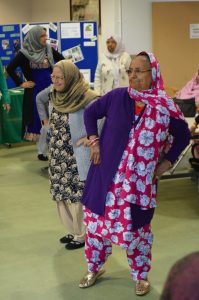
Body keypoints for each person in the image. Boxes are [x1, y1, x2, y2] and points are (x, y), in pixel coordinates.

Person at [79, 52, 190, 295]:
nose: (132, 75)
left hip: (138, 187)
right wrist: (94, 141)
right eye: (130, 71)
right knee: (97, 229)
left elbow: (183, 135)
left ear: (154, 74)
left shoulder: (165, 107)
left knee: (137, 232)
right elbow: (90, 113)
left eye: (139, 71)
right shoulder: (118, 96)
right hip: (106, 181)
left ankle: (140, 276)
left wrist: (166, 163)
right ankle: (93, 267)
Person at [36, 60, 99, 250]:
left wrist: (92, 139)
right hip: (57, 155)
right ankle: (73, 229)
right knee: (61, 195)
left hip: (75, 157)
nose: (55, 81)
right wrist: (44, 122)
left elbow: (105, 120)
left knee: (76, 196)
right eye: (52, 77)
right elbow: (39, 99)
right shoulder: (55, 95)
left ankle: (82, 234)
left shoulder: (87, 97)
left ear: (70, 76)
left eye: (59, 77)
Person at [6, 25, 64, 160]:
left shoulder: (48, 49)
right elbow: (9, 69)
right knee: (40, 121)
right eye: (42, 36)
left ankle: (53, 148)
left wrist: (60, 77)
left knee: (53, 118)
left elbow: (63, 60)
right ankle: (41, 151)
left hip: (52, 90)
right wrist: (21, 83)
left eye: (45, 35)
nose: (45, 38)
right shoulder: (24, 53)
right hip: (35, 92)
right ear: (34, 38)